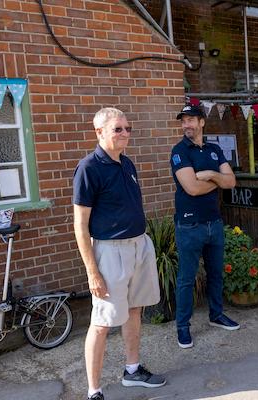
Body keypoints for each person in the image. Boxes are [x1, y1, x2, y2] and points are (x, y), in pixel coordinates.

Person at [73, 108, 165, 400]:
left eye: (128, 128)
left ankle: (132, 369)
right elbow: (80, 224)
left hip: (139, 245)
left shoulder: (126, 164)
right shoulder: (89, 168)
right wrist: (92, 271)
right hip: (110, 252)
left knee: (135, 310)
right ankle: (94, 391)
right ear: (99, 132)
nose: (125, 133)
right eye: (118, 129)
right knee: (101, 323)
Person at [170, 104, 240, 349]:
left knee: (216, 273)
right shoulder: (179, 151)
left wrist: (209, 173)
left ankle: (216, 315)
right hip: (189, 225)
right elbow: (191, 188)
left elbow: (232, 182)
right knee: (186, 279)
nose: (186, 124)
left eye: (191, 119)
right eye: (183, 120)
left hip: (214, 222)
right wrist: (218, 181)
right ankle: (182, 327)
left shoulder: (214, 149)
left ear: (202, 122)